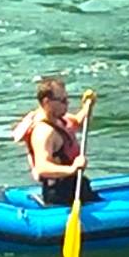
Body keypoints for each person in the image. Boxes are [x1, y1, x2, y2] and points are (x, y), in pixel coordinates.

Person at [12, 75, 99, 206]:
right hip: (61, 194)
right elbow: (42, 168)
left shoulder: (58, 118)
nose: (67, 104)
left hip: (74, 185)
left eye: (67, 99)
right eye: (63, 100)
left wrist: (88, 106)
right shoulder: (44, 132)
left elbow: (78, 123)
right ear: (47, 102)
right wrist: (73, 169)